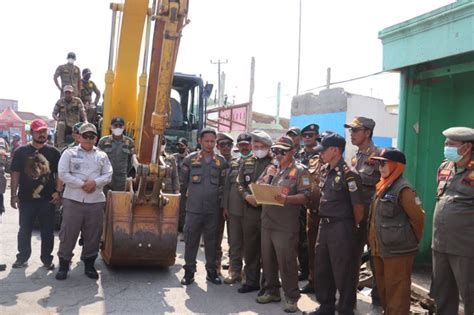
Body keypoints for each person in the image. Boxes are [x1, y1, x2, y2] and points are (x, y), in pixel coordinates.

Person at [306, 133, 364, 315]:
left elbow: (358, 207)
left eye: (324, 150)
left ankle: (346, 309)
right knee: (322, 267)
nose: (321, 154)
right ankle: (326, 306)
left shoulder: (350, 175)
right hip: (324, 225)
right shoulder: (324, 170)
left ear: (335, 150)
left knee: (343, 271)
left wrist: (353, 228)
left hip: (341, 226)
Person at [255, 136, 310, 313]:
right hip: (267, 222)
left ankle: (292, 297)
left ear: (293, 152)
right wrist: (265, 181)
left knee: (287, 262)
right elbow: (258, 185)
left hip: (285, 225)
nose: (278, 155)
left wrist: (288, 199)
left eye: (282, 152)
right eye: (276, 151)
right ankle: (272, 291)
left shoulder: (301, 171)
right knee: (268, 260)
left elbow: (306, 196)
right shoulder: (271, 168)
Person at [367, 148, 425, 315]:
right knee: (385, 291)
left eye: (384, 163)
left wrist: (410, 241)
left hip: (398, 250)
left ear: (396, 165)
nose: (380, 167)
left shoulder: (404, 189)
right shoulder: (382, 186)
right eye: (379, 163)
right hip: (380, 250)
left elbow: (418, 218)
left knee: (397, 293)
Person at [55, 123, 113, 280]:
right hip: (73, 200)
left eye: (91, 136)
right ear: (79, 137)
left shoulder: (102, 156)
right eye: (85, 136)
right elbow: (63, 173)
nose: (88, 139)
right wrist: (83, 184)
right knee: (68, 233)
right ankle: (64, 264)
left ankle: (89, 264)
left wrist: (94, 183)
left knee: (93, 235)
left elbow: (108, 175)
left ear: (96, 138)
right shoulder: (69, 153)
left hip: (95, 201)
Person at [431, 127, 474, 315]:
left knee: (470, 294)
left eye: (451, 145)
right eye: (445, 143)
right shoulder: (445, 167)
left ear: (467, 147)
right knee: (443, 293)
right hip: (440, 244)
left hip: (465, 247)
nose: (446, 147)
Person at [10, 119, 62, 269]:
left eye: (44, 131)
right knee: (24, 230)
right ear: (31, 132)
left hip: (47, 200)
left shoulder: (53, 152)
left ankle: (47, 259)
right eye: (38, 131)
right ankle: (22, 257)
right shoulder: (21, 151)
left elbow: (59, 174)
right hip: (26, 200)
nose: (41, 134)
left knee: (47, 232)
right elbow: (15, 174)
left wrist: (58, 192)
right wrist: (13, 195)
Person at [180, 128, 228, 286]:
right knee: (191, 240)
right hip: (193, 209)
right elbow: (183, 184)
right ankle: (189, 272)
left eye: (212, 141)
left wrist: (223, 207)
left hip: (212, 210)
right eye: (207, 141)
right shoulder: (189, 160)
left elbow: (224, 187)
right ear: (200, 141)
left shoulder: (221, 162)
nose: (210, 144)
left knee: (211, 242)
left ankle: (211, 272)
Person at [344, 116, 382, 310]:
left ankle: (378, 302)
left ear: (367, 132)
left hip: (372, 215)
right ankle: (348, 300)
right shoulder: (355, 156)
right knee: (352, 256)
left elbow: (383, 186)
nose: (352, 134)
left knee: (375, 259)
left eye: (356, 130)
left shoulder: (378, 156)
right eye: (351, 130)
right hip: (355, 214)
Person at [236, 130, 273, 294]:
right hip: (250, 211)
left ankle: (267, 285)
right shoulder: (248, 161)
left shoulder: (274, 163)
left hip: (268, 212)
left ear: (268, 147)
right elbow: (239, 183)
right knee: (250, 249)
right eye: (256, 146)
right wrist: (246, 196)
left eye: (262, 146)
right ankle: (251, 281)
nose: (258, 149)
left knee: (267, 252)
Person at [222, 132, 251, 284]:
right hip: (233, 210)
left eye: (246, 144)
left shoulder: (259, 162)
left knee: (249, 243)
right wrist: (225, 207)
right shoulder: (233, 163)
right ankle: (235, 271)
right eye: (241, 145)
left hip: (251, 210)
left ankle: (248, 273)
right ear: (238, 147)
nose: (244, 147)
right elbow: (227, 187)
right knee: (234, 242)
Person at [298, 124, 323, 294]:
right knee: (301, 240)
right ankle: (305, 271)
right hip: (299, 204)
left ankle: (316, 278)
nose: (307, 138)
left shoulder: (321, 155)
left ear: (316, 137)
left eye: (311, 135)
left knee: (313, 244)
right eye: (305, 135)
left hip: (316, 205)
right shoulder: (299, 155)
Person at [97, 117, 135, 192]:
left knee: (119, 200)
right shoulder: (103, 141)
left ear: (123, 128)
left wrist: (124, 172)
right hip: (105, 177)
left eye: (120, 126)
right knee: (103, 199)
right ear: (111, 127)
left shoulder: (129, 142)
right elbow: (97, 159)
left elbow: (131, 161)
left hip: (121, 178)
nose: (118, 128)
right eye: (115, 126)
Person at [215, 132, 234, 276]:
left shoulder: (238, 163)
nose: (226, 147)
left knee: (234, 239)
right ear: (218, 146)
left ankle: (234, 267)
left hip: (234, 206)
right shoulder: (214, 162)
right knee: (216, 237)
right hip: (216, 205)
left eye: (228, 144)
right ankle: (216, 266)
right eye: (222, 145)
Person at [52, 85, 87, 149]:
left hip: (75, 124)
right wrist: (58, 119)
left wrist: (85, 121)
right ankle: (60, 147)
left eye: (69, 92)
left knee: (83, 127)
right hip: (64, 125)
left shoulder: (77, 101)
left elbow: (82, 112)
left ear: (72, 93)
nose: (68, 94)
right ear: (64, 93)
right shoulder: (60, 102)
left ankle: (82, 146)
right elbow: (54, 114)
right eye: (66, 92)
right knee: (60, 124)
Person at [173, 137, 189, 233]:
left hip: (186, 188)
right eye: (178, 145)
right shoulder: (173, 157)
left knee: (184, 209)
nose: (179, 147)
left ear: (186, 146)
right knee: (174, 208)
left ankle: (183, 230)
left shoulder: (191, 158)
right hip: (175, 187)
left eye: (181, 146)